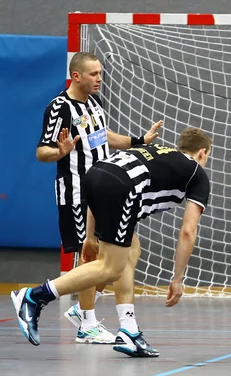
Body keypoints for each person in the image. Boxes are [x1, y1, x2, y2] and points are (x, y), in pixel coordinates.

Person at [12, 127, 212, 357]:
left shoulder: (158, 151)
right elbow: (188, 231)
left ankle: (128, 330)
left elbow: (106, 177)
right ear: (203, 153)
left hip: (97, 175)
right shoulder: (197, 174)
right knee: (110, 267)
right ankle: (34, 297)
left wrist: (89, 236)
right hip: (121, 189)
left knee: (131, 250)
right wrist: (177, 279)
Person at [36, 51, 160, 343]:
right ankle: (87, 325)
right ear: (76, 76)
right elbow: (42, 151)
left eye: (100, 73)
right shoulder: (59, 107)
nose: (99, 79)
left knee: (129, 251)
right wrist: (60, 152)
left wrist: (139, 141)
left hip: (105, 189)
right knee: (89, 254)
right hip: (77, 189)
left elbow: (103, 136)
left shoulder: (95, 102)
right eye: (94, 74)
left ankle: (82, 308)